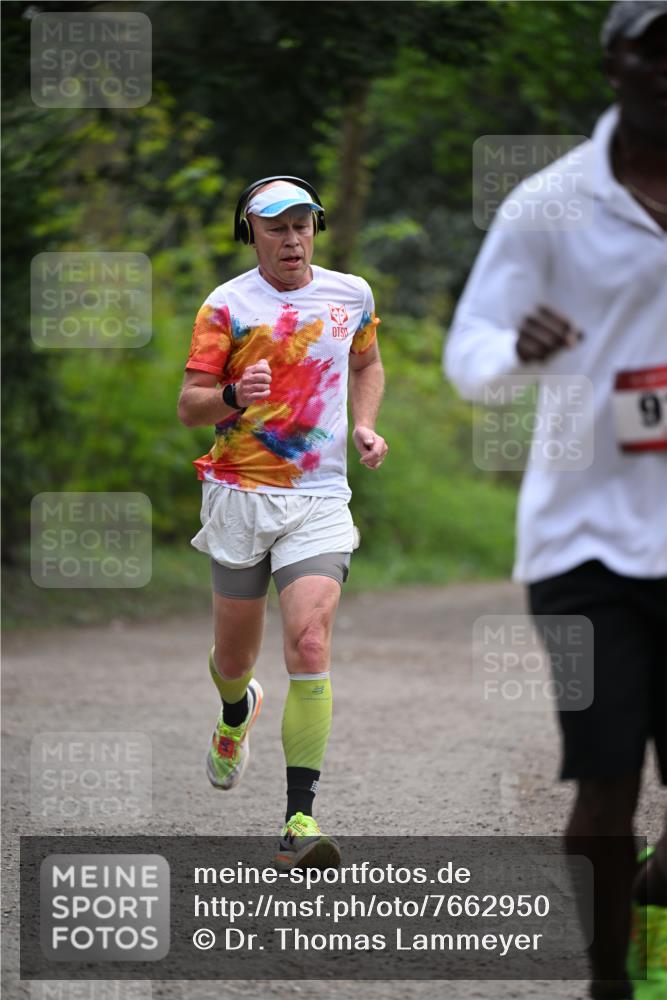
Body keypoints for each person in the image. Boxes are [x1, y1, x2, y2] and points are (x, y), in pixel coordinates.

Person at [444, 3, 667, 998]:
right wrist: (516, 352)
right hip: (582, 544)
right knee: (605, 783)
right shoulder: (548, 203)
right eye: (659, 49)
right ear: (617, 59)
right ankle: (608, 985)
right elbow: (469, 354)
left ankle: (650, 918)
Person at [177, 176, 387, 870]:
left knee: (308, 638)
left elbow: (367, 362)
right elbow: (191, 406)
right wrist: (233, 395)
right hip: (239, 495)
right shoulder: (227, 305)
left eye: (302, 225)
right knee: (234, 663)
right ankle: (236, 710)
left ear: (315, 230)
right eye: (276, 227)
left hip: (320, 498)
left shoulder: (350, 294)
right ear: (252, 233)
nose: (292, 238)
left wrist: (364, 425)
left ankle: (300, 818)